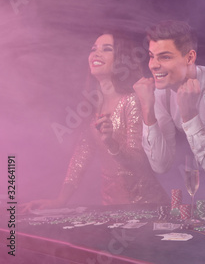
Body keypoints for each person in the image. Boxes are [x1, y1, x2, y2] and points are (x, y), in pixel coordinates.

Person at [24, 30, 168, 209]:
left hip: (146, 207)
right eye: (94, 49)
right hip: (111, 207)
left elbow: (138, 162)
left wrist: (111, 144)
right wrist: (60, 200)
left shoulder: (132, 100)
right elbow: (80, 157)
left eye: (106, 49)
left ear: (121, 58)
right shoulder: (91, 106)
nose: (96, 53)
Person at [133, 20, 205, 211]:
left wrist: (189, 114)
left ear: (190, 57)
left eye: (165, 57)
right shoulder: (161, 91)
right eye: (152, 56)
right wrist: (147, 108)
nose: (153, 65)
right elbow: (160, 165)